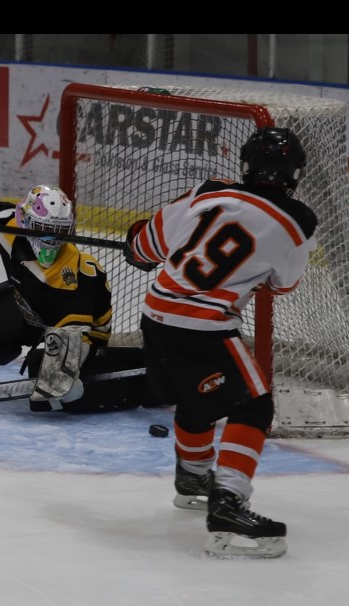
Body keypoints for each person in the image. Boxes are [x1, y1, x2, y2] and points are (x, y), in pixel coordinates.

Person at [123, 126, 317, 558]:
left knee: (198, 400)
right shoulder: (299, 221)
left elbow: (144, 245)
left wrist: (135, 248)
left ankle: (193, 478)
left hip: (155, 317)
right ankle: (227, 503)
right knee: (254, 403)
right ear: (295, 173)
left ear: (246, 165)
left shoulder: (207, 192)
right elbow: (283, 286)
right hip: (203, 327)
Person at [0, 184, 150, 413]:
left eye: (60, 232)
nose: (51, 241)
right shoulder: (10, 231)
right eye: (44, 231)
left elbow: (80, 337)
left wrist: (59, 375)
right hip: (32, 309)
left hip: (80, 335)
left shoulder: (76, 278)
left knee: (59, 359)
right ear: (25, 222)